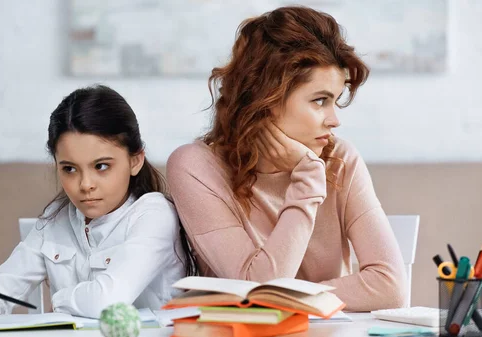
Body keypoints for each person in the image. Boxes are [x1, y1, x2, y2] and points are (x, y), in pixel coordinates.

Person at [166, 6, 407, 311]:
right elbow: (256, 285)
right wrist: (308, 180)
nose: (335, 120)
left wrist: (283, 297)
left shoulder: (341, 158)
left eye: (335, 101)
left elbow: (391, 287)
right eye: (320, 100)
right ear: (266, 100)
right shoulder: (195, 167)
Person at [0, 85, 193, 318]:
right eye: (69, 169)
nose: (85, 184)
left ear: (135, 161)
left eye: (101, 166)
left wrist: (58, 300)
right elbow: (1, 290)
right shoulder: (55, 220)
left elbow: (107, 302)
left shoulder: (155, 215)